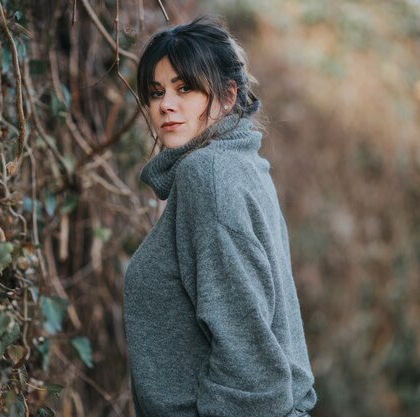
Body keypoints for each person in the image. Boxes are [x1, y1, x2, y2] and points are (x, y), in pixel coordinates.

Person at [123, 16, 317, 417]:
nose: (166, 105)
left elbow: (249, 369)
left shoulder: (207, 176)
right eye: (156, 92)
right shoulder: (244, 167)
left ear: (227, 97)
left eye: (185, 88)